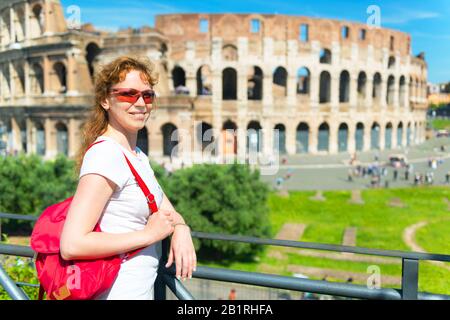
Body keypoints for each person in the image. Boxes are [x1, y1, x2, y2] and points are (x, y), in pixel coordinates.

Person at [60, 56, 196, 300]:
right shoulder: (105, 154)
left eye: (148, 95)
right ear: (105, 100)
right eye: (128, 94)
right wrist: (148, 236)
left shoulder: (137, 156)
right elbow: (72, 245)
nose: (141, 103)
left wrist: (182, 228)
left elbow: (167, 211)